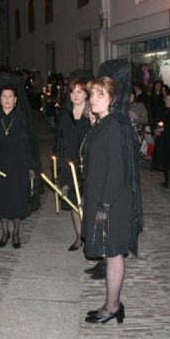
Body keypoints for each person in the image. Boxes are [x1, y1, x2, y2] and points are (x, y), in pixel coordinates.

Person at [82, 65, 143, 325]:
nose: (93, 99)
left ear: (112, 98)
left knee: (114, 253)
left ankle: (113, 306)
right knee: (110, 254)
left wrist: (104, 204)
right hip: (102, 197)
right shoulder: (103, 122)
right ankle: (111, 303)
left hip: (113, 201)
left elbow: (117, 170)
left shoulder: (116, 125)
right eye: (92, 94)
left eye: (99, 95)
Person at [0, 73, 40, 249]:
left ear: (15, 99)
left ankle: (16, 233)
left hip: (18, 165)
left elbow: (29, 145)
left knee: (17, 199)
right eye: (4, 96)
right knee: (1, 199)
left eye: (10, 96)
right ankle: (4, 232)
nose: (6, 99)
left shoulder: (21, 119)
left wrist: (31, 167)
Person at [54, 76, 92, 252]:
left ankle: (90, 237)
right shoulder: (64, 115)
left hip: (89, 165)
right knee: (74, 203)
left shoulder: (92, 114)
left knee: (88, 203)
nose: (75, 95)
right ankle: (79, 236)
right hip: (69, 164)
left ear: (86, 94)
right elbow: (59, 141)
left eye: (80, 91)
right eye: (72, 91)